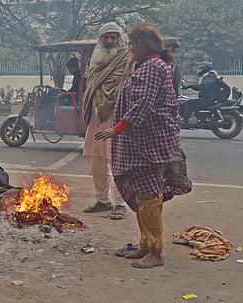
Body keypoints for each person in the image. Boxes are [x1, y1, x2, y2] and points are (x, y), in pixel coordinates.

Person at [94, 24, 192, 268]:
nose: (131, 49)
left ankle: (156, 253)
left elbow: (143, 104)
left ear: (143, 45)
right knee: (142, 197)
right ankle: (145, 244)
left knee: (149, 198)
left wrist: (115, 129)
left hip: (150, 145)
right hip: (140, 144)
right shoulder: (147, 66)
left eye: (133, 44)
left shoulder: (153, 67)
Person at [82, 22, 135, 220]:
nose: (110, 41)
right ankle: (103, 201)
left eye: (113, 37)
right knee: (98, 161)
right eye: (106, 37)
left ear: (119, 39)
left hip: (118, 115)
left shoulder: (127, 57)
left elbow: (130, 84)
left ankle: (121, 204)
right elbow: (91, 85)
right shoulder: (96, 58)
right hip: (97, 117)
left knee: (118, 161)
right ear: (100, 39)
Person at [182, 62, 219, 127]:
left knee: (189, 103)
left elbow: (203, 87)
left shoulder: (209, 77)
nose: (199, 71)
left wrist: (190, 86)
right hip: (207, 98)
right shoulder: (210, 76)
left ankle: (185, 122)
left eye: (201, 69)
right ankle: (196, 119)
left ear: (205, 69)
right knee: (192, 102)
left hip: (207, 99)